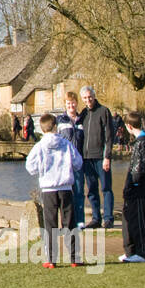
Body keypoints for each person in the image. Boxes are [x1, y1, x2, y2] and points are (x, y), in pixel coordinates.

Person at [25, 113, 83, 268]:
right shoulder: (66, 144)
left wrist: (41, 169)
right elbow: (78, 162)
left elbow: (30, 167)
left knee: (50, 224)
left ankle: (51, 259)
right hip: (65, 187)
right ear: (55, 126)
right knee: (69, 223)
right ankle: (74, 258)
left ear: (42, 129)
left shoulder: (39, 146)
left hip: (48, 188)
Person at [77, 86, 114, 229]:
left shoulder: (104, 111)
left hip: (101, 157)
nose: (88, 100)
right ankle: (96, 218)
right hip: (87, 158)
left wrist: (107, 156)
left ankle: (108, 218)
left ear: (94, 95)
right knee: (92, 190)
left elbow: (109, 136)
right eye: (85, 98)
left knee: (106, 188)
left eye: (90, 97)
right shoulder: (84, 114)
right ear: (82, 99)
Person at [119, 112, 145, 263]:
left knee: (139, 219)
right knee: (129, 219)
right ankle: (131, 251)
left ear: (129, 126)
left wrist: (133, 184)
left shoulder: (142, 142)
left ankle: (142, 252)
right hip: (133, 189)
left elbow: (140, 168)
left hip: (138, 189)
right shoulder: (140, 142)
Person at [54, 92, 86, 230]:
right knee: (64, 194)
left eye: (73, 102)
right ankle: (66, 223)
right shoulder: (60, 120)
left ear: (77, 103)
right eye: (68, 103)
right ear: (65, 104)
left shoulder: (82, 120)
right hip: (64, 163)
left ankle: (80, 221)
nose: (71, 105)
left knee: (79, 192)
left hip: (78, 161)